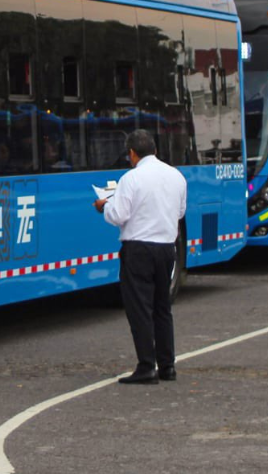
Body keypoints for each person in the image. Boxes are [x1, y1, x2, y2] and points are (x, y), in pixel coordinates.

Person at [94, 129, 187, 385]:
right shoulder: (176, 176)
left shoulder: (130, 179)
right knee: (162, 307)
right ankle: (168, 366)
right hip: (168, 248)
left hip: (138, 249)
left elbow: (118, 215)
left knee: (140, 309)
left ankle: (146, 366)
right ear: (155, 150)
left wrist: (104, 206)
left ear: (132, 153)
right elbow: (180, 212)